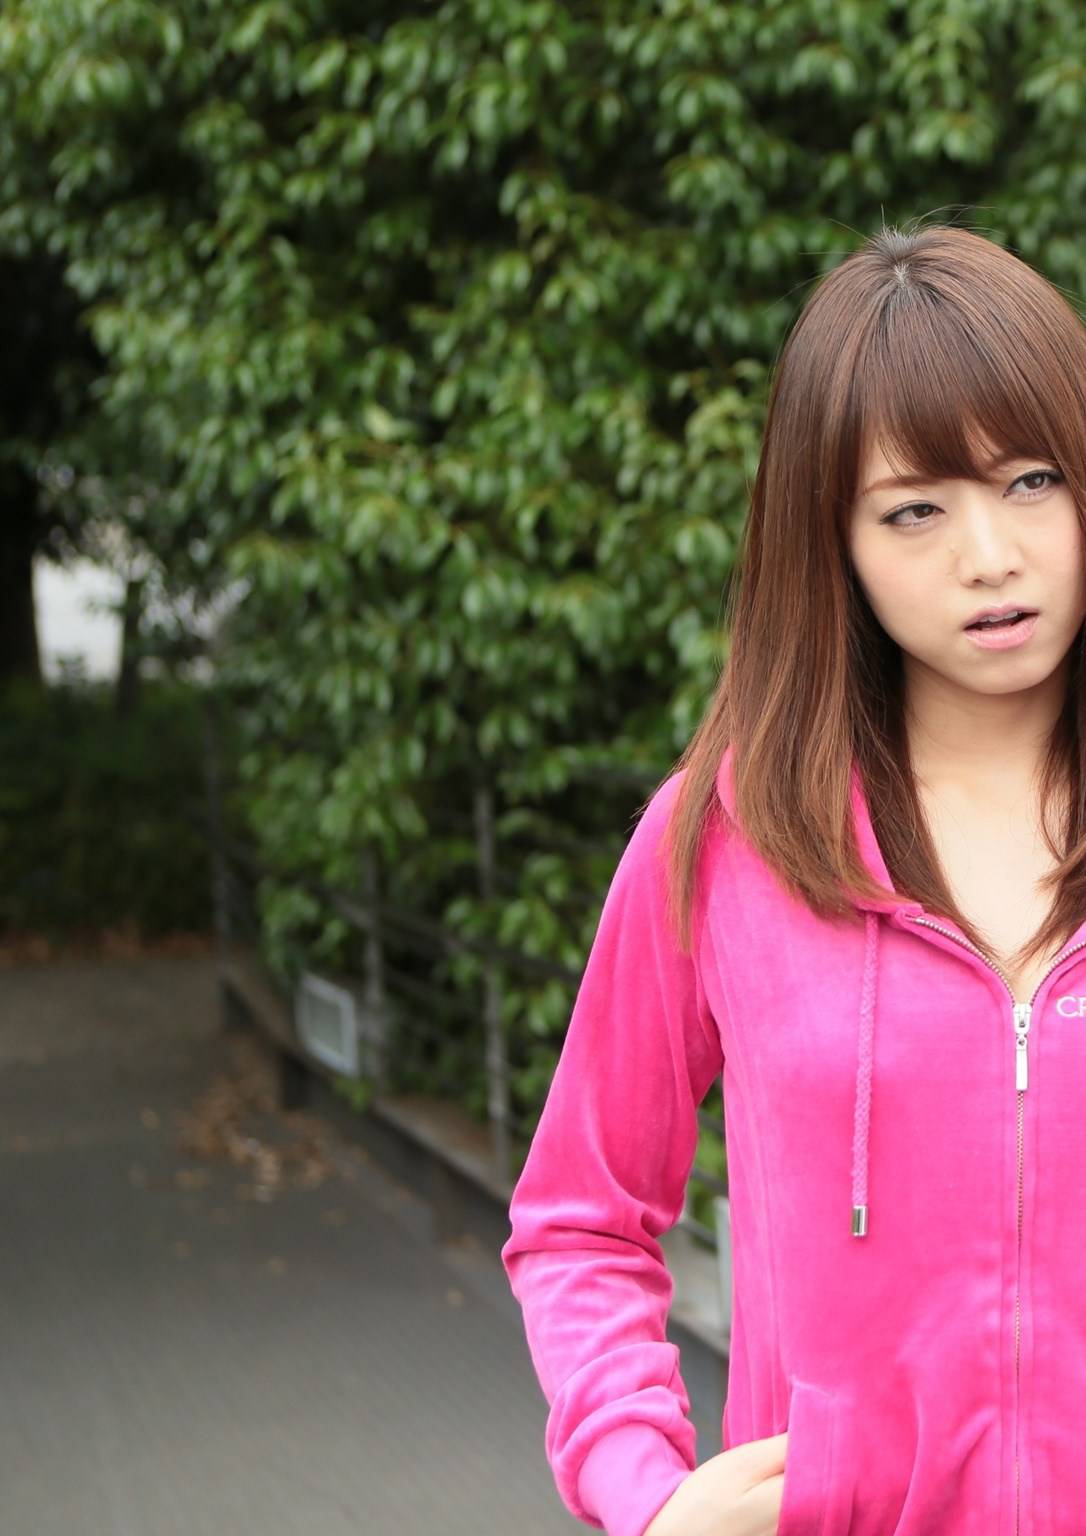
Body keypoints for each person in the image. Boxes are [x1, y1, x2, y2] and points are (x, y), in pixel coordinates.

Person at [499, 219, 1086, 1536]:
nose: (987, 554)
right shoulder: (727, 839)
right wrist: (649, 1495)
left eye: (1033, 480)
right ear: (834, 541)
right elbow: (581, 1219)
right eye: (914, 508)